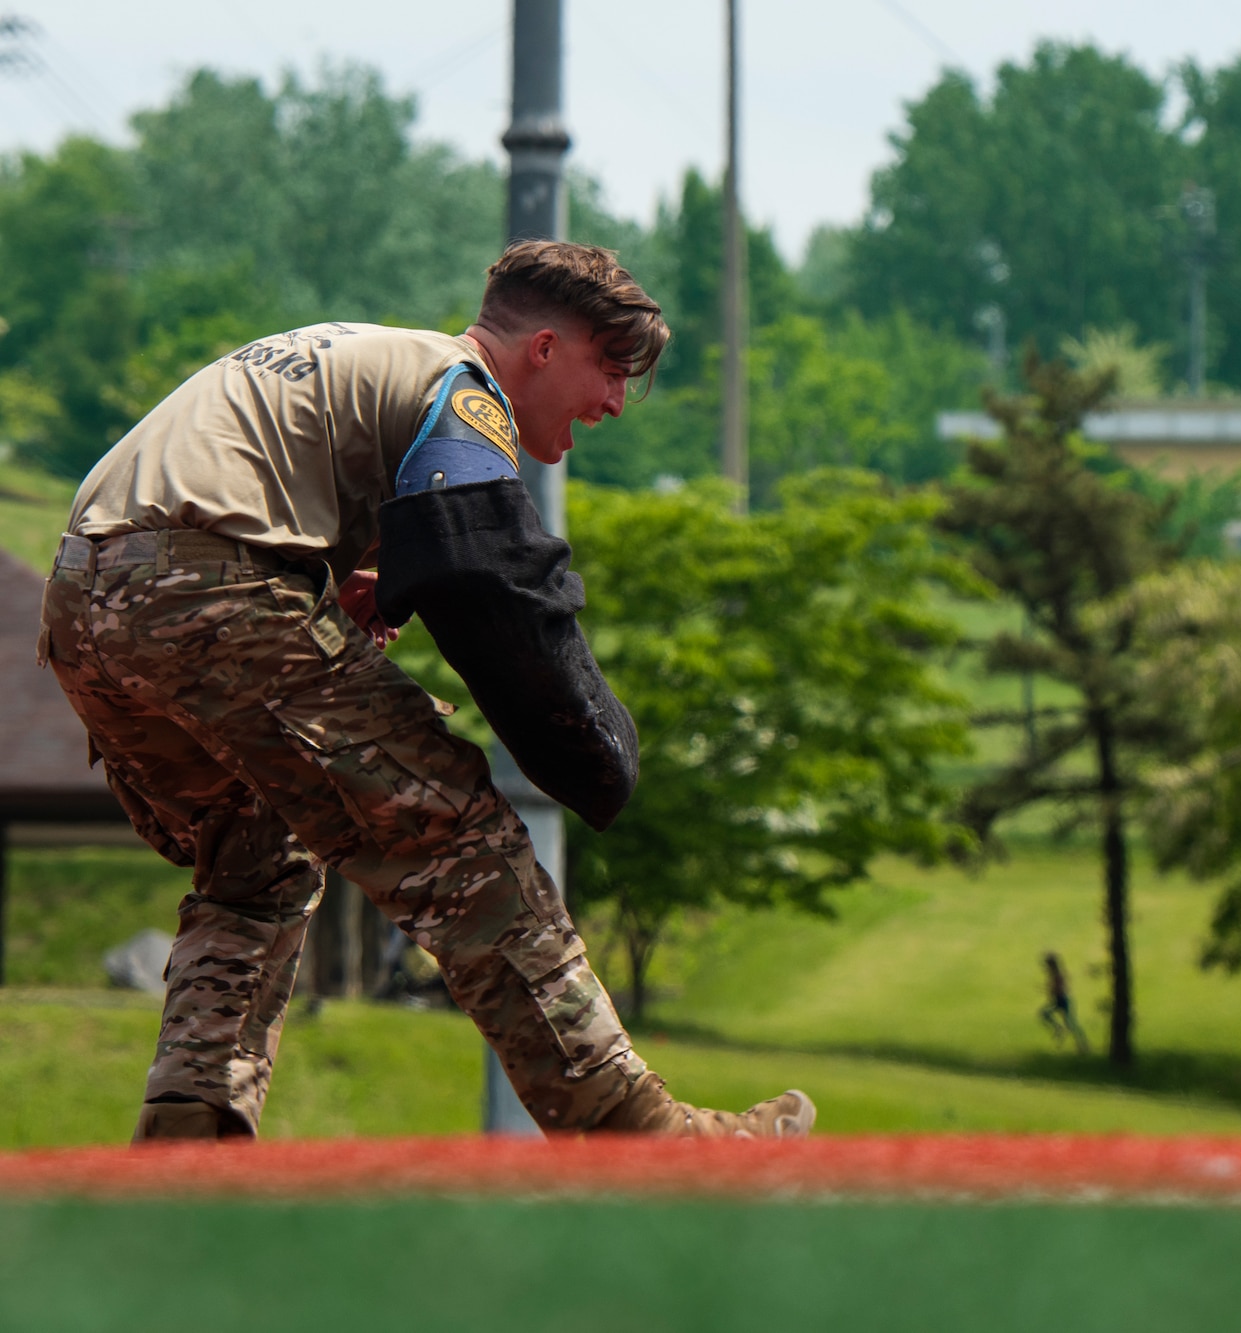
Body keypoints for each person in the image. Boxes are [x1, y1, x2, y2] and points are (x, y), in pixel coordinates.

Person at [40, 240, 813, 1141]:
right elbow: (488, 571)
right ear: (544, 349)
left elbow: (297, 491)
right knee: (458, 835)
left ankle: (192, 1123)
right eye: (608, 370)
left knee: (259, 856)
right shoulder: (463, 386)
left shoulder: (372, 355)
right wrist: (595, 743)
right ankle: (640, 1135)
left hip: (82, 603)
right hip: (199, 584)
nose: (611, 403)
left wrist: (353, 574)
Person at [1038, 952, 1088, 1054]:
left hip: (1063, 1000)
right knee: (1044, 1014)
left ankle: (1082, 1045)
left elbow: (1059, 988)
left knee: (1071, 1024)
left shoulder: (1057, 974)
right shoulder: (1053, 974)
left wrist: (1050, 989)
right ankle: (1058, 1028)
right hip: (1058, 1000)